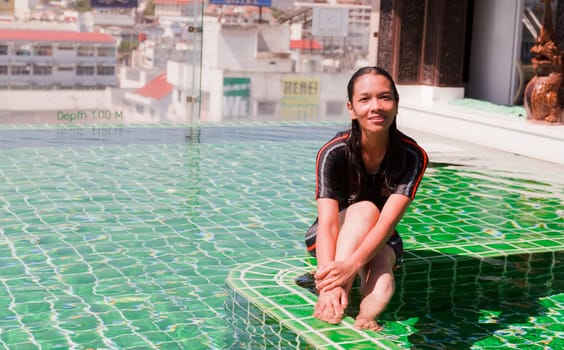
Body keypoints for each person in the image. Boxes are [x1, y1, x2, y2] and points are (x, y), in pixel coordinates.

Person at [303, 66, 428, 331]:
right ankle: (333, 294)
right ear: (351, 108)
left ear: (396, 104)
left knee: (382, 265)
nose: (376, 107)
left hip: (381, 235)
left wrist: (352, 265)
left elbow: (387, 223)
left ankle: (366, 319)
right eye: (365, 99)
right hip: (328, 239)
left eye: (385, 97)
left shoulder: (413, 155)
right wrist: (331, 281)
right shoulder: (334, 152)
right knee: (365, 209)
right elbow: (328, 225)